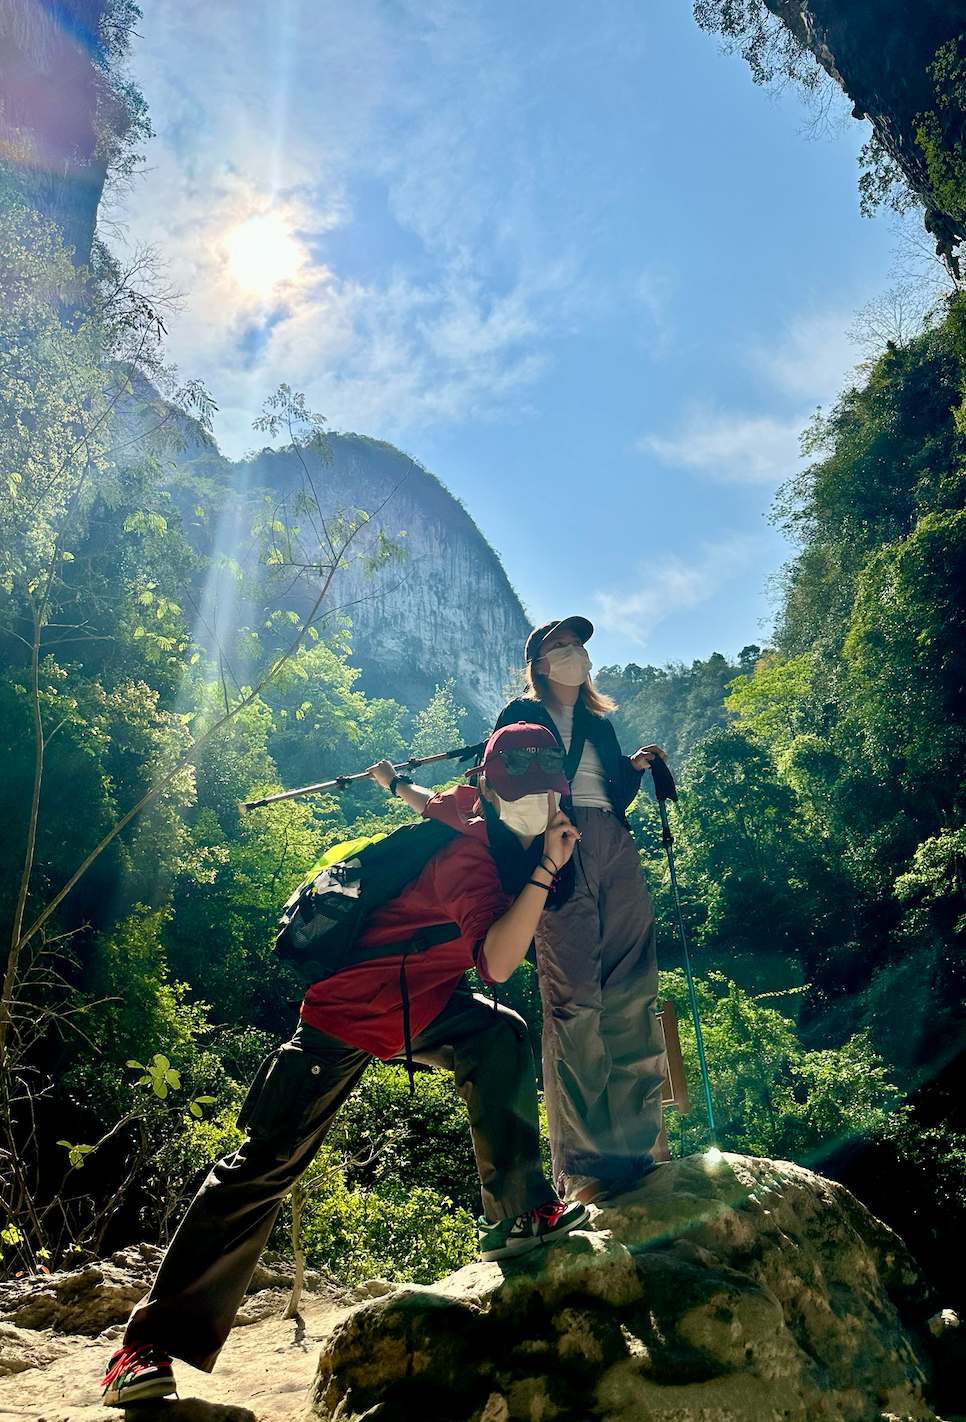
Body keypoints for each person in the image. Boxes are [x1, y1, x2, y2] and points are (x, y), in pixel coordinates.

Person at [101, 724, 585, 1409]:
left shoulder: (477, 812)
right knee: (264, 1164)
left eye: (547, 793)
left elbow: (426, 801)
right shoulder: (471, 855)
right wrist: (546, 871)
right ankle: (142, 1347)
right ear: (488, 790)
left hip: (420, 1003)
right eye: (522, 794)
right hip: (347, 1012)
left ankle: (518, 1213)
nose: (537, 806)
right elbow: (499, 962)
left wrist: (392, 782)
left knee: (499, 1034)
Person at [495, 616, 668, 1207]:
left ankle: (638, 1153)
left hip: (614, 841)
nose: (575, 653)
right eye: (561, 646)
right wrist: (540, 854)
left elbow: (614, 795)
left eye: (578, 645)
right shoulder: (520, 716)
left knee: (633, 992)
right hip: (559, 846)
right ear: (539, 665)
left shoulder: (599, 722)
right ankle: (588, 1169)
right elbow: (508, 792)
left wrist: (633, 770)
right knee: (575, 1004)